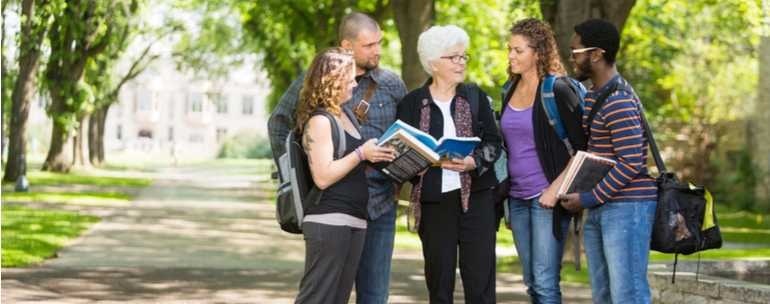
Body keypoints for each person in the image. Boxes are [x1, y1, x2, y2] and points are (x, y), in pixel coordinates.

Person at [267, 12, 407, 304]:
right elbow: (280, 124)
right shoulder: (317, 84)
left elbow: (405, 134)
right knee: (324, 293)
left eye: (380, 43)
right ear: (347, 45)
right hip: (332, 206)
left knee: (373, 295)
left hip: (379, 206)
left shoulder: (391, 84)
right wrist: (297, 179)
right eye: (369, 45)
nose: (378, 51)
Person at [397, 25, 502, 304]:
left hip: (477, 200)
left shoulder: (475, 96)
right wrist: (420, 161)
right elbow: (400, 155)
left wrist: (473, 161)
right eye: (453, 57)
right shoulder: (411, 104)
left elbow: (494, 143)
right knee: (439, 284)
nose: (460, 63)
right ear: (433, 63)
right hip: (434, 205)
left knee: (480, 284)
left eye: (463, 57)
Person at [559, 19, 658, 304]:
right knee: (603, 295)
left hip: (628, 208)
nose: (572, 57)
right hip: (603, 205)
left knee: (628, 294)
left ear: (597, 54)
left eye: (576, 51)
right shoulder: (593, 96)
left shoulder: (619, 100)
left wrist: (589, 198)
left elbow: (631, 162)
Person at [294, 47, 396, 304]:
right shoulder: (320, 121)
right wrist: (361, 153)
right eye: (349, 77)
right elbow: (323, 176)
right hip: (329, 222)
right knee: (316, 298)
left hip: (355, 220)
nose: (354, 82)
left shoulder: (347, 114)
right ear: (332, 81)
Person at [500, 18, 587, 304]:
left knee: (545, 281)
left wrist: (554, 189)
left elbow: (581, 149)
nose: (511, 55)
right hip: (517, 199)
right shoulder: (507, 91)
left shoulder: (557, 90)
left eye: (518, 50)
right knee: (531, 281)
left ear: (538, 53)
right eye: (510, 49)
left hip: (546, 198)